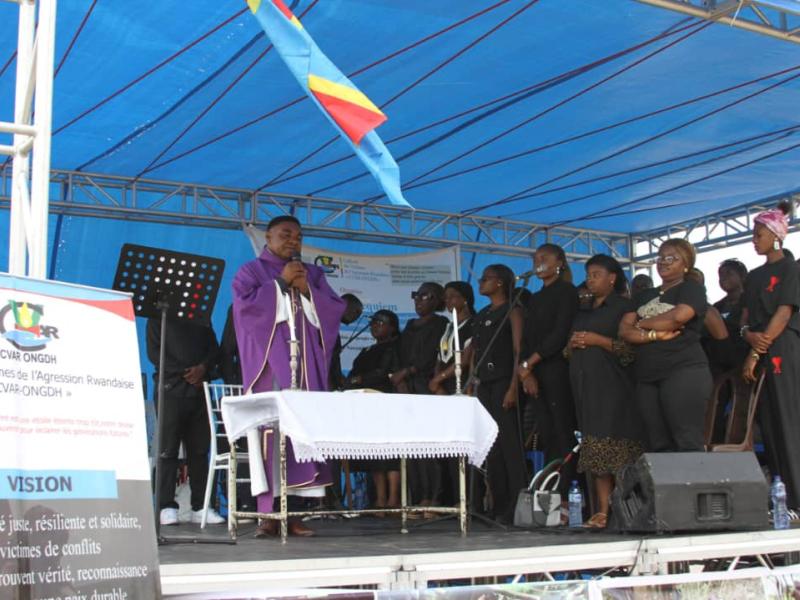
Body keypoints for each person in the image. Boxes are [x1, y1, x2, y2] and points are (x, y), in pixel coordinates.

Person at [232, 215, 346, 538]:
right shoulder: (251, 272)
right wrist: (280, 284)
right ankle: (268, 515)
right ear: (268, 237)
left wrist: (307, 290)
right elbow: (243, 311)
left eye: (298, 236)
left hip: (305, 367)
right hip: (272, 366)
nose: (293, 241)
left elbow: (334, 310)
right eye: (285, 235)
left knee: (302, 436)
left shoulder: (313, 273)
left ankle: (295, 512)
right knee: (274, 437)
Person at [567, 255, 643, 529]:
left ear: (612, 278)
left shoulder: (625, 308)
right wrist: (574, 344)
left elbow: (631, 349)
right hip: (586, 387)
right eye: (588, 274)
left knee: (618, 447)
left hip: (615, 387)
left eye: (596, 274)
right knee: (595, 446)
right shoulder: (583, 311)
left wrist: (598, 340)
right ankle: (602, 509)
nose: (590, 279)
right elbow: (568, 349)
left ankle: (627, 508)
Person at [619, 239, 711, 452]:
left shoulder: (691, 289)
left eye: (672, 258)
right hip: (647, 375)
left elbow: (677, 318)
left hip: (683, 370)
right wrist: (654, 334)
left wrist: (640, 323)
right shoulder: (644, 295)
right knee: (656, 443)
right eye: (660, 257)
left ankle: (691, 485)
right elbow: (624, 330)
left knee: (686, 439)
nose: (664, 262)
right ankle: (664, 487)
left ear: (686, 264)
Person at [741, 203, 800, 510]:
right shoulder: (753, 276)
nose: (755, 239)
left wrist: (755, 350)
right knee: (769, 422)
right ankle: (782, 496)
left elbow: (784, 311)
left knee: (790, 419)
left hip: (783, 348)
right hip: (760, 346)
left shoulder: (792, 268)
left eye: (759, 233)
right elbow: (746, 317)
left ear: (777, 236)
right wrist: (747, 334)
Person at [146, 315, 224, 526]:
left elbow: (214, 350)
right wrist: (186, 372)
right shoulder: (159, 316)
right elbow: (155, 354)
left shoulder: (202, 318)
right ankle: (165, 506)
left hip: (199, 391)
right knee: (167, 450)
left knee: (200, 451)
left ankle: (201, 506)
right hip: (170, 390)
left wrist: (203, 369)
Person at [517, 243, 579, 496]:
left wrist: (530, 362)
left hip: (556, 368)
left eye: (544, 257)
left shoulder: (566, 292)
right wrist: (526, 371)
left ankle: (566, 492)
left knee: (563, 430)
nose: (538, 262)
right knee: (546, 431)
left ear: (559, 262)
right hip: (535, 370)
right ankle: (550, 488)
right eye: (535, 258)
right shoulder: (535, 297)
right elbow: (527, 337)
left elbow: (560, 333)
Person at [471, 264, 527, 523]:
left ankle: (516, 505)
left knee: (509, 447)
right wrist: (472, 381)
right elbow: (476, 352)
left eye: (487, 278)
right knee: (490, 447)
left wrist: (514, 387)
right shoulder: (482, 314)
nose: (481, 282)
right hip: (484, 384)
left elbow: (518, 351)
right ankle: (498, 504)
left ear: (502, 282)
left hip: (505, 381)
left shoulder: (512, 310)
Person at [393, 282, 448, 513]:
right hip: (407, 388)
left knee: (430, 446)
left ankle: (434, 497)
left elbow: (432, 356)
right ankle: (417, 496)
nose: (418, 299)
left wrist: (409, 372)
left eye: (425, 295)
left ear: (437, 300)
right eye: (416, 295)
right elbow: (399, 354)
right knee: (412, 447)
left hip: (426, 385)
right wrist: (401, 379)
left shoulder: (441, 324)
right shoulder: (409, 325)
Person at [344, 310, 402, 514]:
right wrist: (355, 380)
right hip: (366, 405)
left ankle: (394, 498)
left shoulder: (396, 347)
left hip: (387, 402)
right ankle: (380, 498)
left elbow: (384, 374)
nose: (375, 325)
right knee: (374, 454)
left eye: (381, 322)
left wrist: (360, 379)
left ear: (392, 327)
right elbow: (352, 375)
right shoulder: (367, 350)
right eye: (374, 322)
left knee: (390, 454)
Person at [429, 281, 475, 395]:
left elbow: (465, 359)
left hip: (461, 382)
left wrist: (439, 378)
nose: (447, 300)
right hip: (442, 384)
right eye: (446, 297)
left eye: (452, 296)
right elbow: (440, 356)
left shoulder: (473, 324)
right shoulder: (448, 326)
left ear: (465, 299)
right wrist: (437, 381)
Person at [329, 293, 364, 391]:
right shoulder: (326, 324)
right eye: (356, 312)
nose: (356, 317)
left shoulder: (334, 328)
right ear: (344, 304)